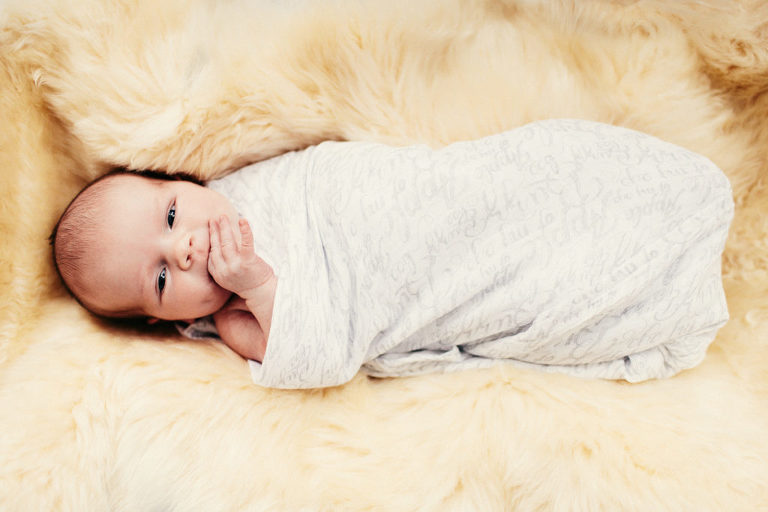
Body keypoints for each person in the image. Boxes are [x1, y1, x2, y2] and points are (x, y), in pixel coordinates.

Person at [50, 119, 734, 389]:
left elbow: (334, 178)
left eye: (171, 215)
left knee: (535, 181)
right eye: (163, 276)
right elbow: (315, 355)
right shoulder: (228, 319)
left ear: (182, 182)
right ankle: (653, 278)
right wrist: (255, 281)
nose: (189, 247)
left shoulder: (254, 188)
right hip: (424, 285)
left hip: (430, 203)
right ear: (160, 321)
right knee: (544, 283)